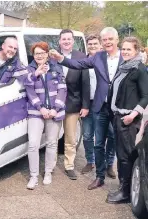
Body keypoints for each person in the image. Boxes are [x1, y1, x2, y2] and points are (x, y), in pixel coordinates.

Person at [49, 27, 122, 190]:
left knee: (116, 140)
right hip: (96, 105)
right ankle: (98, 175)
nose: (107, 42)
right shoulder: (97, 58)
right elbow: (75, 64)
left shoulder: (127, 57)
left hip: (117, 107)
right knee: (95, 140)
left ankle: (118, 175)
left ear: (117, 40)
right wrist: (60, 58)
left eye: (110, 39)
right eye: (105, 40)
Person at [106, 37, 148, 204]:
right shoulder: (124, 67)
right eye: (123, 49)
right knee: (121, 154)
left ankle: (125, 193)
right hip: (118, 117)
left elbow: (146, 96)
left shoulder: (139, 69)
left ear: (136, 51)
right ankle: (124, 188)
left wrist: (132, 115)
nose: (124, 52)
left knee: (126, 156)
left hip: (128, 119)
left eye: (128, 49)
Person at [24, 41, 67, 189]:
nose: (39, 56)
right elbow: (28, 88)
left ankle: (48, 172)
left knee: (51, 143)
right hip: (36, 112)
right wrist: (40, 107)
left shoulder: (56, 67)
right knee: (33, 144)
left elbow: (62, 89)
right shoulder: (29, 69)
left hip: (55, 111)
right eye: (36, 53)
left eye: (42, 53)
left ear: (47, 54)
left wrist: (55, 109)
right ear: (33, 55)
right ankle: (34, 176)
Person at [57, 29, 90, 180]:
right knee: (51, 138)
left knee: (70, 137)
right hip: (54, 105)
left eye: (69, 39)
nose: (66, 41)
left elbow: (85, 83)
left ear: (73, 40)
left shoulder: (81, 57)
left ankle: (69, 165)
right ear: (59, 41)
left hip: (73, 104)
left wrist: (85, 105)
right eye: (64, 39)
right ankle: (49, 166)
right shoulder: (52, 56)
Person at [81, 35, 116, 176]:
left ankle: (109, 164)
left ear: (100, 45)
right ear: (87, 45)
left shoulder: (106, 60)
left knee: (111, 135)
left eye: (95, 43)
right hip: (87, 103)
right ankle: (90, 161)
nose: (93, 46)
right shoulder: (83, 61)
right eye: (90, 44)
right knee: (88, 135)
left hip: (105, 104)